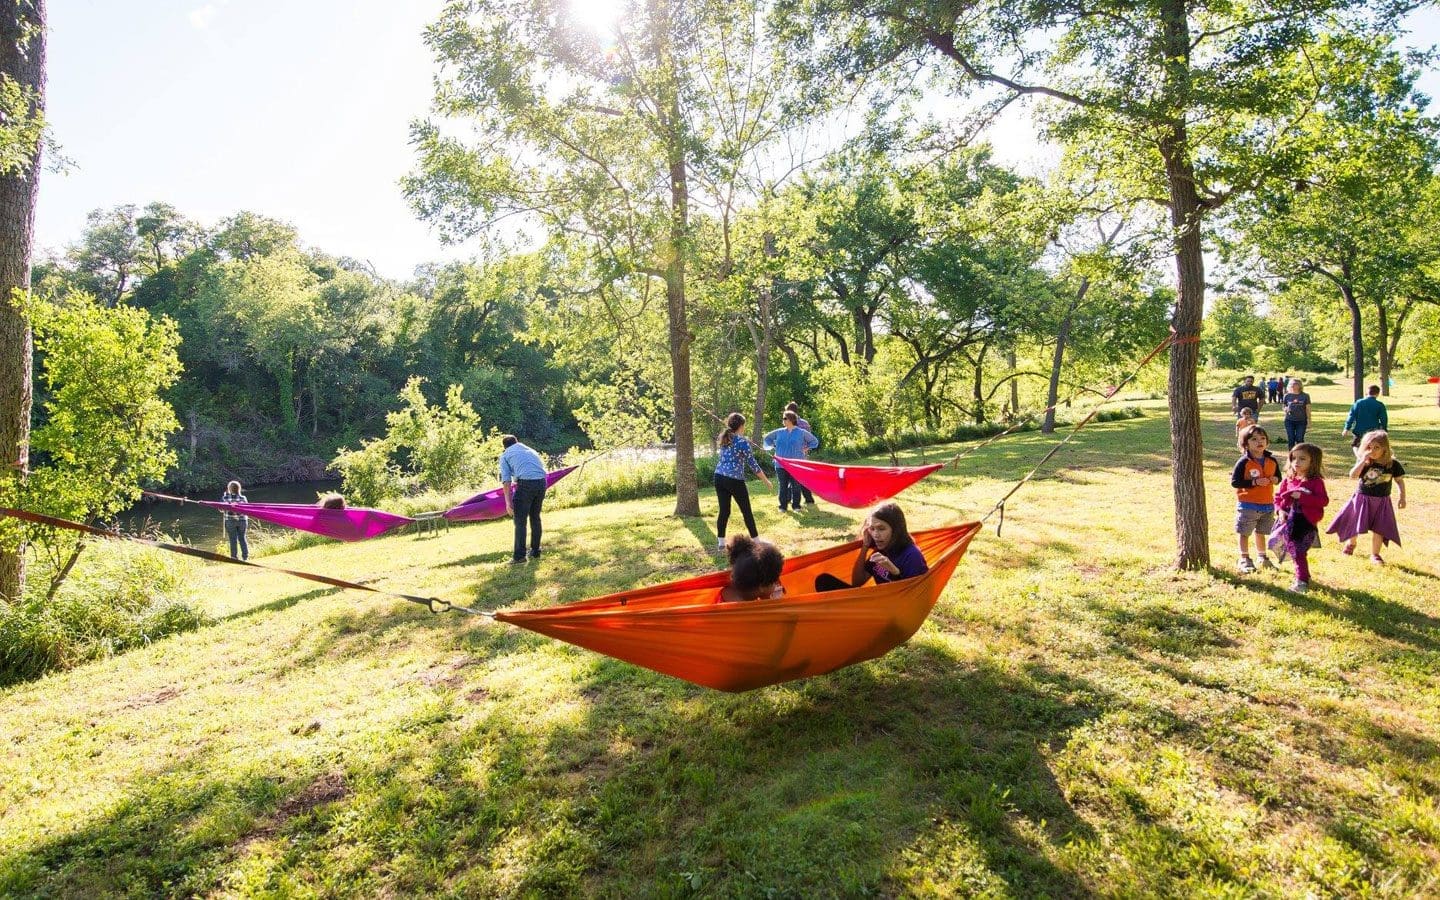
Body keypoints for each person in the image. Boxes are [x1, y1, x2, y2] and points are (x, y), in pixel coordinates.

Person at [1327, 429, 1406, 563]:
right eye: (1369, 447)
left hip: (1382, 501)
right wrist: (1362, 460)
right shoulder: (1365, 462)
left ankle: (1375, 554)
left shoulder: (1393, 464)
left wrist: (1402, 496)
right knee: (1355, 523)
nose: (1373, 451)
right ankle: (1351, 543)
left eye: (1377, 447)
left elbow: (1399, 480)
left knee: (1380, 528)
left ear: (1385, 449)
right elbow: (1352, 476)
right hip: (1362, 499)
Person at [815, 502, 928, 591]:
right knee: (824, 581)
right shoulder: (882, 550)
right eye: (872, 529)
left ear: (896, 530)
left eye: (881, 528)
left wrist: (895, 573)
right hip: (875, 606)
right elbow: (857, 582)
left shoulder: (912, 555)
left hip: (893, 612)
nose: (875, 535)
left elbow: (914, 597)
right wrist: (865, 547)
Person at [1267, 443, 1329, 593]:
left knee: (1298, 551)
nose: (1296, 462)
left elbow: (1323, 501)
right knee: (1295, 550)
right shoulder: (1289, 479)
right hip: (1288, 522)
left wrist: (1303, 497)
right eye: (1294, 458)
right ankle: (1304, 575)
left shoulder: (1315, 482)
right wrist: (1280, 510)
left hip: (1305, 522)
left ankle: (1301, 581)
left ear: (1312, 462)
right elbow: (1278, 497)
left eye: (1302, 459)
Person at [712, 412, 772, 552]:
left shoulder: (725, 438)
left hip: (719, 477)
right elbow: (753, 465)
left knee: (724, 510)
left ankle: (721, 542)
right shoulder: (742, 442)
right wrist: (766, 481)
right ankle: (756, 541)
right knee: (746, 511)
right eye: (744, 425)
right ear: (741, 426)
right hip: (734, 480)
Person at [1231, 424, 1280, 575]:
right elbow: (1235, 482)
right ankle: (1244, 558)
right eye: (1254, 439)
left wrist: (1274, 479)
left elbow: (1279, 478)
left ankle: (1262, 556)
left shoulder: (1271, 460)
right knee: (1244, 532)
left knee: (1262, 532)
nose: (1259, 441)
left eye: (1263, 438)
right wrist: (1254, 482)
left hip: (1267, 504)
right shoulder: (1244, 462)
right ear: (1246, 444)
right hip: (1248, 504)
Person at [499, 434, 548, 564]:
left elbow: (506, 481)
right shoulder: (530, 450)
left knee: (520, 521)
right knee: (535, 517)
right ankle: (535, 550)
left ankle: (519, 556)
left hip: (526, 484)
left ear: (504, 447)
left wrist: (508, 503)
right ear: (516, 442)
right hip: (542, 483)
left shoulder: (505, 455)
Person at [764, 411, 819, 512]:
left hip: (796, 464)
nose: (783, 420)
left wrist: (806, 448)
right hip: (780, 464)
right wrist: (772, 446)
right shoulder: (779, 432)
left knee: (796, 486)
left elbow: (814, 442)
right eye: (783, 418)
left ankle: (796, 506)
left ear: (791, 420)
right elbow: (767, 438)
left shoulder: (801, 432)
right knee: (783, 485)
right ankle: (782, 507)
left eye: (785, 418)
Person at [716, 535, 785, 603]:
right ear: (761, 587)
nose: (776, 585)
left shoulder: (726, 592)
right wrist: (771, 602)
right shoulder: (750, 611)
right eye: (774, 582)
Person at [784, 402, 819, 508]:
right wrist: (806, 448)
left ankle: (792, 498)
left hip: (792, 455)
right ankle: (807, 499)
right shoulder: (805, 423)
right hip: (803, 456)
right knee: (802, 477)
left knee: (792, 477)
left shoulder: (790, 424)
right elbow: (810, 439)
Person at [1342, 385, 1388, 456]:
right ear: (1378, 394)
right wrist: (1384, 429)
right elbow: (1383, 418)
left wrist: (1346, 428)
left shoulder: (1358, 403)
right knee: (1370, 446)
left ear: (1367, 392)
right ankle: (1367, 458)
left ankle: (1359, 457)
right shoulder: (1380, 405)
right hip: (1373, 431)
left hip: (1359, 430)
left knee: (1356, 445)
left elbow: (1351, 416)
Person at [220, 479, 249, 561]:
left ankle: (234, 557)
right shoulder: (243, 498)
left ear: (229, 488)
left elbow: (221, 509)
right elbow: (247, 509)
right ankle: (245, 557)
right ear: (239, 488)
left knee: (233, 539)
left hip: (230, 521)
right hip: (243, 521)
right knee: (242, 538)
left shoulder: (224, 498)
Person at [1280, 378, 1312, 448]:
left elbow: (1308, 409)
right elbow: (1284, 406)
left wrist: (1309, 421)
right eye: (1291, 384)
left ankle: (1301, 454)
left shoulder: (1305, 396)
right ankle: (1291, 456)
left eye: (1294, 384)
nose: (1292, 386)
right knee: (1291, 439)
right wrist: (1285, 409)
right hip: (1289, 420)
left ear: (1299, 385)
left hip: (1301, 421)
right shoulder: (1287, 395)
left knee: (1299, 439)